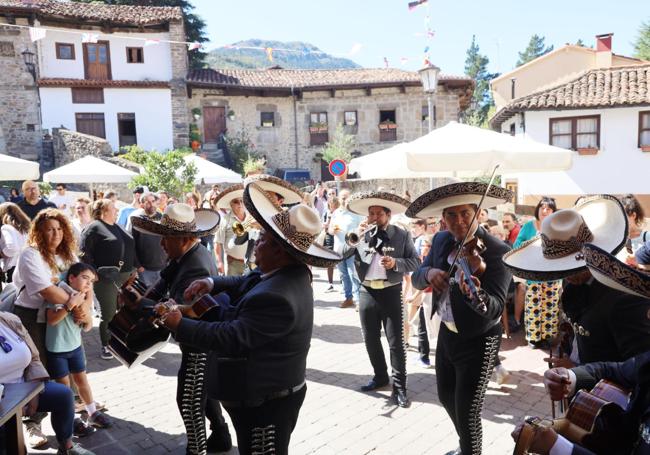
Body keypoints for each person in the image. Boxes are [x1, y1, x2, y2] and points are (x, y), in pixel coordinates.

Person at [159, 182, 342, 455]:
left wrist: (180, 324)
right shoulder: (284, 273)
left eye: (264, 240)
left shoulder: (277, 295)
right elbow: (245, 281)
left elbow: (232, 337)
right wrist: (211, 282)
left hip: (266, 405)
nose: (256, 245)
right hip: (263, 397)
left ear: (280, 251)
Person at [409, 182, 513, 455]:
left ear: (478, 213)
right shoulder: (442, 240)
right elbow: (418, 277)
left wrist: (473, 294)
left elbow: (494, 308)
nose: (459, 221)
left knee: (468, 408)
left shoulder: (497, 251)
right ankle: (467, 445)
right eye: (451, 215)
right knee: (445, 396)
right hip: (448, 331)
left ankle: (470, 450)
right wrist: (430, 273)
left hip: (480, 339)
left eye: (465, 213)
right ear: (443, 218)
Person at [130, 203, 232, 454]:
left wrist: (142, 304)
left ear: (184, 239)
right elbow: (162, 283)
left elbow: (178, 308)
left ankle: (197, 450)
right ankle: (220, 436)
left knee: (188, 401)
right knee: (203, 394)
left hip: (198, 340)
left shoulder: (194, 264)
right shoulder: (185, 256)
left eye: (167, 238)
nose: (162, 244)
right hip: (199, 338)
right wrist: (143, 297)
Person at [504, 195, 650, 365]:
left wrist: (577, 371)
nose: (566, 274)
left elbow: (639, 368)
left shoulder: (625, 298)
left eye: (568, 266)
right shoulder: (573, 290)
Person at [11, 208, 83, 448]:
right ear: (39, 232)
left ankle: (68, 417)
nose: (56, 234)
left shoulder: (65, 254)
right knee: (36, 370)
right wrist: (75, 303)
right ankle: (32, 423)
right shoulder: (30, 255)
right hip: (32, 318)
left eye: (60, 228)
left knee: (64, 367)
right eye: (50, 229)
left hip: (62, 316)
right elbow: (48, 291)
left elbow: (83, 280)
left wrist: (82, 305)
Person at [346, 191, 420, 408]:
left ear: (388, 215)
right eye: (371, 213)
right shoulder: (360, 233)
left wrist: (395, 264)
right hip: (367, 291)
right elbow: (341, 253)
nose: (374, 217)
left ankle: (400, 388)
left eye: (379, 213)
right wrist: (354, 239)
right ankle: (380, 377)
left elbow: (415, 262)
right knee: (370, 339)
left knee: (396, 342)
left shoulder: (401, 234)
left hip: (391, 291)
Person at [0, 311, 95, 455]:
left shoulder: (8, 320)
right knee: (9, 443)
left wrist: (33, 391)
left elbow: (34, 358)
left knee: (63, 395)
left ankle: (66, 447)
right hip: (3, 400)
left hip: (24, 387)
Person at [45, 263, 112, 432]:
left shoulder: (82, 297)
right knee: (64, 387)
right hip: (57, 350)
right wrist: (70, 305)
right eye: (84, 278)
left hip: (75, 347)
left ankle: (92, 413)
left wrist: (84, 313)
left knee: (82, 381)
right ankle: (72, 419)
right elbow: (51, 320)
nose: (88, 283)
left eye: (91, 280)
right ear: (71, 278)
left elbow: (87, 326)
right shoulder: (59, 293)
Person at [80, 199, 136, 360]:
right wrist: (93, 274)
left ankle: (121, 341)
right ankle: (107, 345)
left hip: (125, 276)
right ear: (103, 210)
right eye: (113, 208)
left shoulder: (116, 226)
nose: (117, 210)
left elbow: (129, 246)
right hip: (105, 278)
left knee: (124, 312)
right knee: (109, 313)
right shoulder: (93, 227)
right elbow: (84, 253)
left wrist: (134, 268)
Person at [513, 196, 561, 348]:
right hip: (533, 273)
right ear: (538, 209)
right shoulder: (528, 226)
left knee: (550, 306)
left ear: (553, 211)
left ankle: (547, 338)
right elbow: (517, 245)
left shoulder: (558, 226)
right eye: (542, 207)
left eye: (549, 208)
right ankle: (533, 338)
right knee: (533, 304)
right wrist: (532, 242)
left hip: (552, 273)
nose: (545, 211)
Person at [328, 189, 364, 308]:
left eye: (346, 197)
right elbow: (329, 229)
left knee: (353, 274)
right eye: (342, 197)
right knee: (343, 275)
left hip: (352, 249)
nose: (344, 200)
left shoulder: (356, 213)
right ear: (339, 199)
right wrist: (331, 231)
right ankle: (348, 298)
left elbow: (362, 229)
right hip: (338, 249)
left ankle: (358, 301)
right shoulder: (336, 213)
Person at [126, 192, 167, 288]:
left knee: (162, 297)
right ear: (142, 204)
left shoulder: (163, 218)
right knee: (146, 297)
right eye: (148, 202)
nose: (151, 204)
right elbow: (130, 243)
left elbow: (168, 240)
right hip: (144, 269)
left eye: (153, 201)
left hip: (163, 266)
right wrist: (138, 265)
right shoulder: (136, 219)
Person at [214, 185, 248, 276]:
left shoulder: (252, 217)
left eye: (242, 201)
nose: (240, 204)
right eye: (236, 202)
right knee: (233, 289)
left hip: (251, 264)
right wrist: (219, 262)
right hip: (232, 264)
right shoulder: (224, 220)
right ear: (231, 204)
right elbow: (218, 242)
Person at [0, 202, 30, 282]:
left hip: (15, 269)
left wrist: (2, 254)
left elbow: (11, 249)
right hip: (29, 265)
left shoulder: (7, 228)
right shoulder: (26, 228)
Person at [619, 194, 648, 267]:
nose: (621, 221)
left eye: (624, 217)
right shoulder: (617, 240)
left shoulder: (647, 237)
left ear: (633, 215)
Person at [322, 196, 340, 292]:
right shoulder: (327, 213)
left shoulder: (340, 213)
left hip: (339, 236)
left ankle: (343, 282)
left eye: (334, 205)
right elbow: (324, 226)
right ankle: (330, 283)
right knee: (329, 260)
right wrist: (326, 223)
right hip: (329, 236)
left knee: (341, 258)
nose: (332, 207)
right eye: (330, 205)